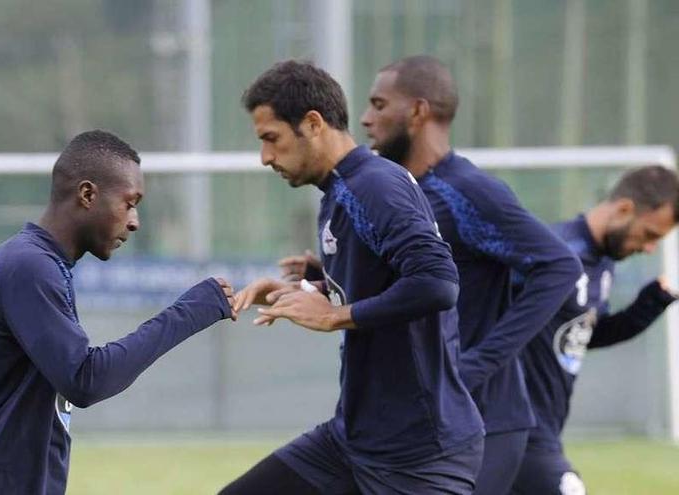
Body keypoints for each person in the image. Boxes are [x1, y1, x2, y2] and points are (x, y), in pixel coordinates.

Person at [0, 130, 237, 495]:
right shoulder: (31, 268)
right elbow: (85, 379)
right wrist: (191, 311)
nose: (134, 221)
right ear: (88, 195)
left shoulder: (26, 263)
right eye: (129, 203)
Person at [220, 60, 484, 495]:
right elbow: (381, 277)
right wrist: (305, 290)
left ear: (312, 123)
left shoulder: (374, 185)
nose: (265, 157)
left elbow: (437, 282)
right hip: (355, 438)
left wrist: (334, 316)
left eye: (272, 139)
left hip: (418, 452)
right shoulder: (338, 191)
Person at [320, 54, 578, 495]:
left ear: (418, 112)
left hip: (485, 420)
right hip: (418, 422)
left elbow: (558, 267)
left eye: (379, 105)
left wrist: (479, 363)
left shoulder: (466, 190)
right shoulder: (399, 192)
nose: (366, 119)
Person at [510, 166, 679, 495]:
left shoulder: (601, 264)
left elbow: (581, 335)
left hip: (544, 430)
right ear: (624, 209)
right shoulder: (554, 251)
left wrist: (647, 306)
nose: (649, 249)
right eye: (649, 235)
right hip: (517, 426)